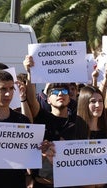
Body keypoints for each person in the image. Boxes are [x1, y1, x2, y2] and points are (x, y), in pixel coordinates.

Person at [23, 55, 77, 188]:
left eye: (64, 91)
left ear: (69, 98)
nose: (60, 94)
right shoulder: (43, 117)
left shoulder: (78, 121)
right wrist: (30, 72)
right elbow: (30, 98)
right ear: (47, 99)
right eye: (55, 91)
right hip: (43, 183)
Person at [0, 70, 31, 187]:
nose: (8, 94)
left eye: (11, 88)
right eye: (3, 89)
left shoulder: (23, 121)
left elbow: (29, 158)